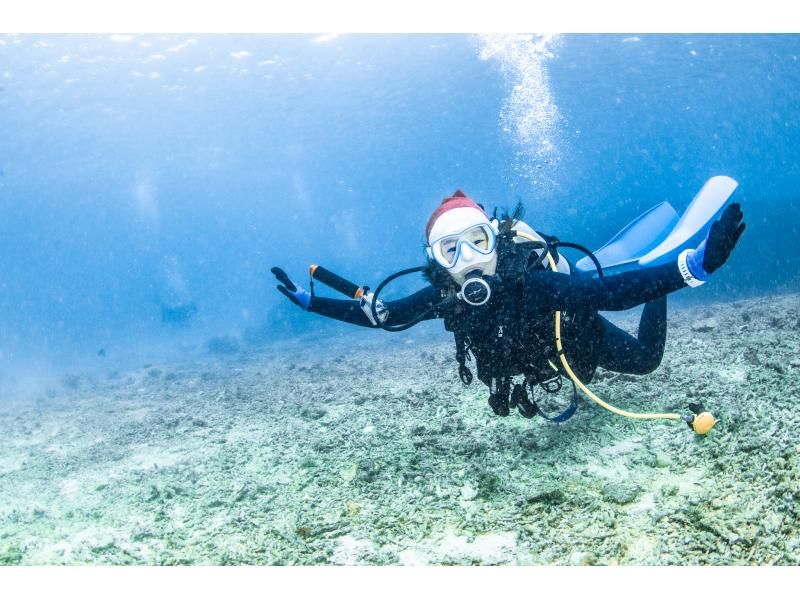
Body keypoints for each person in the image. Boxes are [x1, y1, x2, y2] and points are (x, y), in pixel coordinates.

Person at [272, 183, 745, 423]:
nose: (469, 260)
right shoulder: (448, 298)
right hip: (542, 363)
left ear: (496, 242)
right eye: (451, 250)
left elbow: (606, 295)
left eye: (478, 242)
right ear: (436, 262)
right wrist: (314, 304)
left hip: (576, 337)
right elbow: (387, 316)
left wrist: (690, 268)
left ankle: (655, 277)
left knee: (646, 361)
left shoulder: (532, 284)